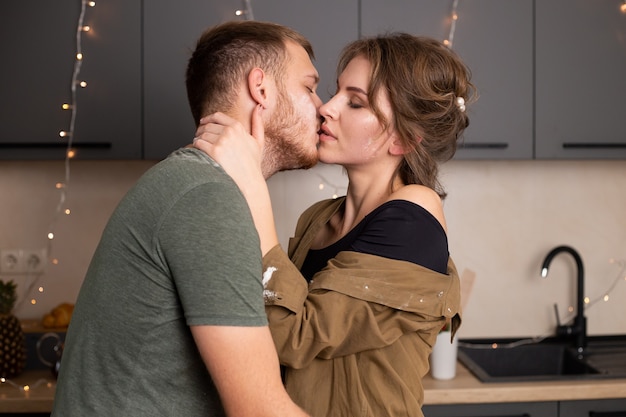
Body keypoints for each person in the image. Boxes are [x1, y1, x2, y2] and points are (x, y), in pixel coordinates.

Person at [193, 33, 475, 417]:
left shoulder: (414, 214)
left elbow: (295, 336)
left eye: (355, 102)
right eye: (336, 91)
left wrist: (251, 185)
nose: (327, 107)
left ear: (403, 139)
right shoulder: (320, 217)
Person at [51, 20, 322, 417]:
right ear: (261, 89)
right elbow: (260, 410)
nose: (321, 106)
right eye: (310, 87)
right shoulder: (207, 196)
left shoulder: (195, 182)